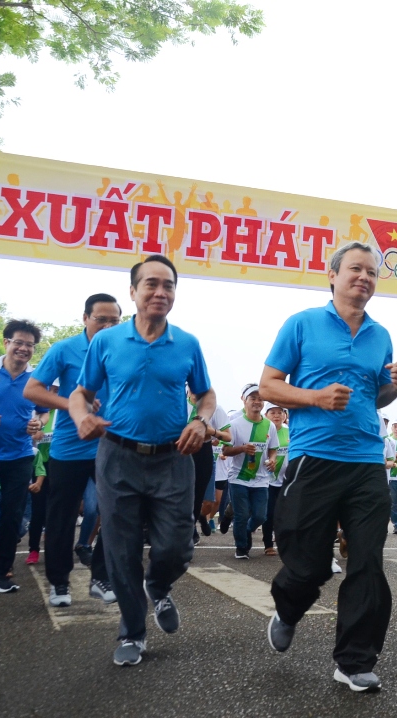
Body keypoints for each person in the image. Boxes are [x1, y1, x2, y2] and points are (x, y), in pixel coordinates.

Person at [260, 241, 397, 693]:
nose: (364, 277)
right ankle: (288, 608)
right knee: (308, 565)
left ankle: (355, 661)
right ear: (332, 275)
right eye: (355, 269)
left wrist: (394, 387)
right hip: (314, 458)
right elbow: (268, 386)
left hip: (366, 460)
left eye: (372, 272)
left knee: (367, 563)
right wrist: (315, 397)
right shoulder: (302, 324)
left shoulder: (380, 335)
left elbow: (374, 396)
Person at [69, 255, 217, 667]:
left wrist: (201, 421)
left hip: (174, 458)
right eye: (151, 284)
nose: (160, 292)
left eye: (168, 285)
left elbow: (206, 394)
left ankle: (159, 584)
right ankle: (132, 632)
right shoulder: (106, 342)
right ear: (133, 292)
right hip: (117, 457)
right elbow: (81, 393)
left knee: (177, 546)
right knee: (121, 549)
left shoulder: (187, 343)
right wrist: (81, 417)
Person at [24, 294, 124, 605]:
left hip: (113, 447)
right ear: (85, 318)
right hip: (69, 449)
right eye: (101, 320)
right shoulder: (64, 349)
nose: (107, 326)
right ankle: (59, 583)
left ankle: (101, 577)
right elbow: (32, 390)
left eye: (114, 321)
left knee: (117, 514)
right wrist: (74, 403)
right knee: (62, 518)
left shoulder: (126, 350)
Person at [0, 319, 48, 593]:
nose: (24, 348)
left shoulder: (36, 378)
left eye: (30, 344)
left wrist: (38, 424)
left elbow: (43, 412)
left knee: (12, 516)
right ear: (6, 342)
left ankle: (0, 573)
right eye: (19, 342)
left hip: (19, 456)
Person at [222, 384, 278, 560]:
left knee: (261, 516)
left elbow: (273, 449)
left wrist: (273, 460)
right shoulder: (234, 424)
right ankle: (241, 547)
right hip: (238, 478)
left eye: (260, 399)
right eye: (253, 398)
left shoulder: (269, 426)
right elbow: (225, 451)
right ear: (244, 401)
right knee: (242, 514)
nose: (257, 402)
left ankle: (246, 531)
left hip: (261, 479)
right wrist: (242, 448)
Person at [187, 389, 231, 541]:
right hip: (179, 450)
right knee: (181, 495)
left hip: (203, 451)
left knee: (203, 499)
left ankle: (197, 519)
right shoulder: (177, 403)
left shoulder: (215, 408)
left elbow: (228, 436)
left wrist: (212, 431)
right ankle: (188, 532)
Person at [25, 409, 54, 566]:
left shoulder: (60, 413)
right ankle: (34, 549)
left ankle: (52, 549)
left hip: (57, 465)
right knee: (38, 510)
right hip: (37, 466)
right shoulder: (33, 413)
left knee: (54, 510)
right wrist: (32, 436)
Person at [263, 404, 289, 556]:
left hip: (286, 480)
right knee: (269, 514)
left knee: (284, 514)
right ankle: (268, 544)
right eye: (272, 412)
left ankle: (283, 543)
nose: (277, 415)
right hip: (266, 480)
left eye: (280, 412)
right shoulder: (264, 430)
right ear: (266, 415)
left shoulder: (290, 431)